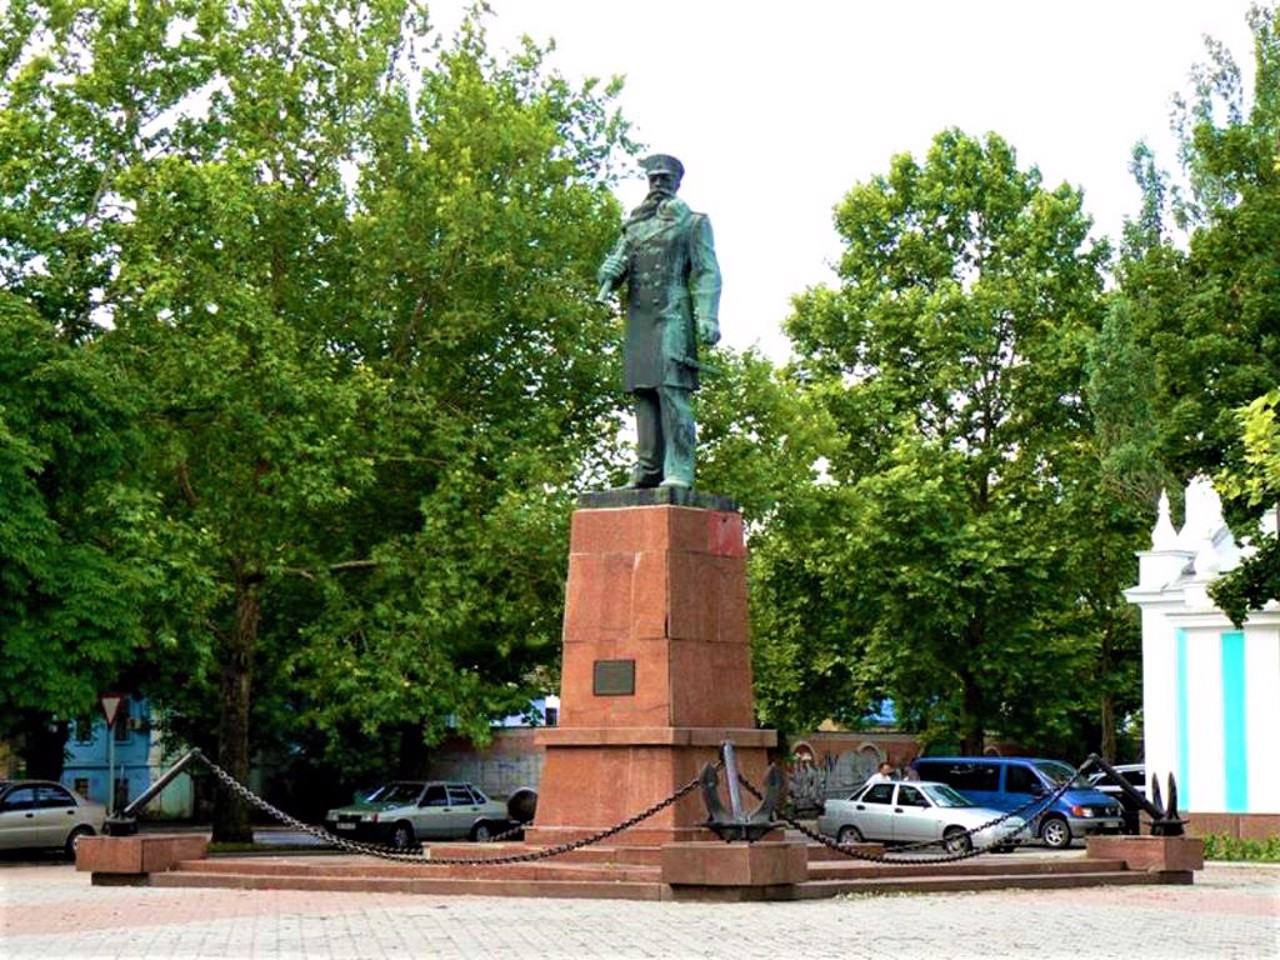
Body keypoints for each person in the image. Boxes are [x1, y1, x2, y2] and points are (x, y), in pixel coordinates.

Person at [596, 154, 722, 489]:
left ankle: (678, 469)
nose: (659, 185)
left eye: (665, 179)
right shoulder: (633, 227)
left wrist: (708, 315)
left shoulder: (693, 223)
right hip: (640, 318)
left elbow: (707, 272)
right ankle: (648, 470)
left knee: (671, 390)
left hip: (672, 315)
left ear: (677, 182)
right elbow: (616, 266)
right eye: (654, 179)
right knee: (643, 392)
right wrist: (606, 272)